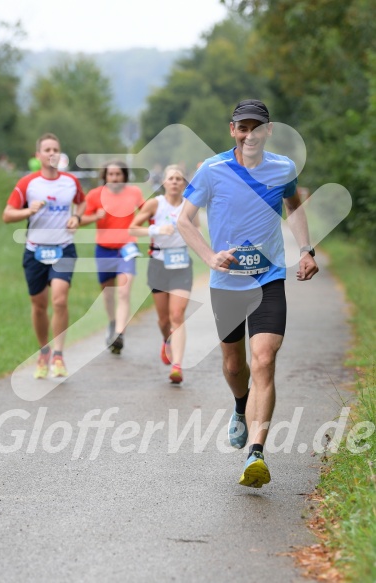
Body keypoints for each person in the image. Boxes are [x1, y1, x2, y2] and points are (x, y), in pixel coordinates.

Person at [177, 99, 319, 488]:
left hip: (268, 278)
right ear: (232, 130)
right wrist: (209, 255)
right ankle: (240, 407)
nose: (250, 135)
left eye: (257, 128)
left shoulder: (283, 168)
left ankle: (256, 453)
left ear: (268, 131)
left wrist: (306, 250)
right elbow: (183, 220)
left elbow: (294, 206)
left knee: (263, 360)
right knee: (235, 367)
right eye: (243, 128)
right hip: (227, 285)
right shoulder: (212, 170)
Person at [3, 132, 86, 379]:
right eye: (47, 150)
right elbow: (7, 215)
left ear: (59, 154)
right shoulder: (27, 183)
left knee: (59, 300)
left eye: (55, 149)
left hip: (63, 248)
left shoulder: (71, 181)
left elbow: (81, 202)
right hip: (35, 251)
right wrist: (28, 210)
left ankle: (59, 355)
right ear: (38, 155)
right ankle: (44, 351)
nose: (52, 153)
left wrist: (77, 217)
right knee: (39, 306)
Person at [129, 164, 200, 384]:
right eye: (171, 178)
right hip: (158, 263)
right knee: (163, 319)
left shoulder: (190, 206)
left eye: (179, 178)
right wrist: (156, 230)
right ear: (164, 182)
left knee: (176, 315)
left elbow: (196, 231)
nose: (175, 182)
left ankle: (177, 365)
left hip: (181, 264)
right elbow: (132, 228)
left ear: (184, 183)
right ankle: (166, 340)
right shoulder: (154, 204)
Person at [81, 160, 145, 354]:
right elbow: (80, 219)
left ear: (124, 175)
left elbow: (148, 212)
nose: (115, 178)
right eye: (111, 175)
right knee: (108, 294)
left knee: (123, 293)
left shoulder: (134, 192)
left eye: (118, 174)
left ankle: (119, 334)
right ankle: (112, 322)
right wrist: (95, 217)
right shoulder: (94, 195)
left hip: (127, 248)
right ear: (105, 176)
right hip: (104, 249)